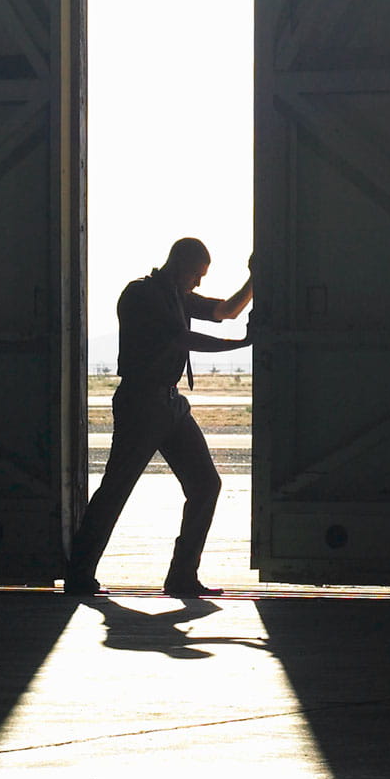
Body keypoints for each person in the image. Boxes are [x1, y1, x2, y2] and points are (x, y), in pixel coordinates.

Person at [66, 238, 253, 598]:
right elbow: (183, 338)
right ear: (180, 264)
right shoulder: (141, 295)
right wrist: (240, 345)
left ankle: (182, 577)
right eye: (197, 275)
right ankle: (79, 574)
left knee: (205, 485)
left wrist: (254, 279)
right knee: (116, 490)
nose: (199, 283)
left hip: (169, 403)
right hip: (141, 402)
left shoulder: (177, 296)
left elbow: (225, 311)